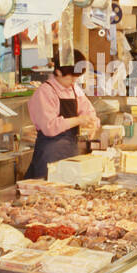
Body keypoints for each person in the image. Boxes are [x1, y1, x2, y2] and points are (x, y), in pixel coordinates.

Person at [25, 51, 100, 180]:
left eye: (76, 77)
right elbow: (50, 127)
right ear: (58, 72)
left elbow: (89, 111)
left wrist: (93, 123)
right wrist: (79, 120)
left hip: (71, 152)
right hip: (49, 156)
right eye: (71, 77)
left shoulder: (74, 89)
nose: (73, 81)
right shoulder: (45, 92)